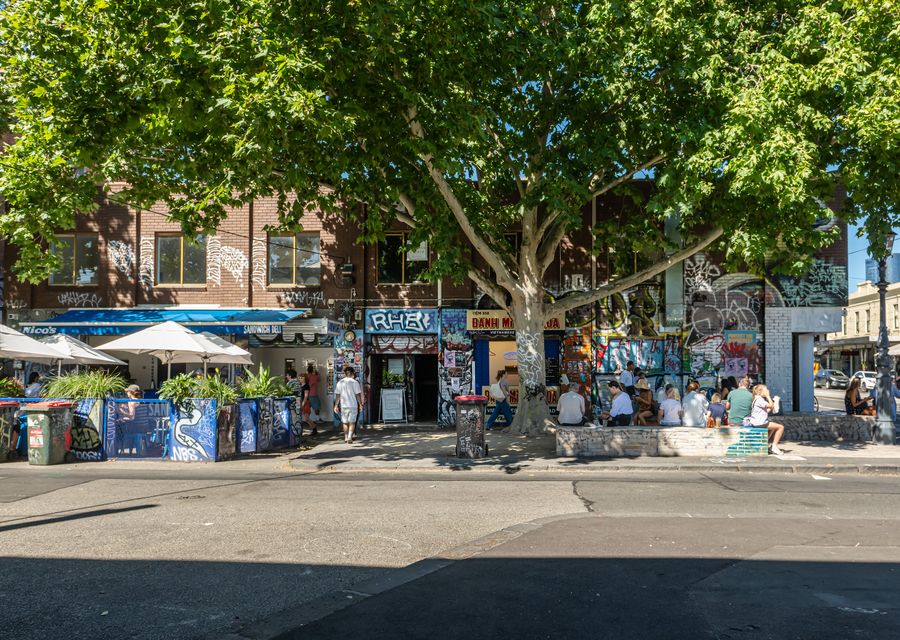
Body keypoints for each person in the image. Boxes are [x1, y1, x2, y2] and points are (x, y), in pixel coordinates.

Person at [749, 384, 785, 455]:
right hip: (759, 423)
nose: (768, 391)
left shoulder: (757, 399)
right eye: (766, 390)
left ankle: (765, 444)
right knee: (781, 427)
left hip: (757, 422)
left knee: (772, 428)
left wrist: (774, 404)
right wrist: (768, 396)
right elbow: (770, 405)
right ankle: (774, 447)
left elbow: (767, 410)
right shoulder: (759, 399)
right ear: (760, 391)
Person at [334, 366, 363, 444]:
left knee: (345, 422)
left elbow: (338, 396)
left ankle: (346, 437)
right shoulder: (355, 382)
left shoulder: (340, 382)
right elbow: (358, 395)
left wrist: (336, 405)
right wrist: (360, 404)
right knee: (352, 422)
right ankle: (350, 436)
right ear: (353, 373)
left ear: (345, 373)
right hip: (353, 405)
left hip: (343, 406)